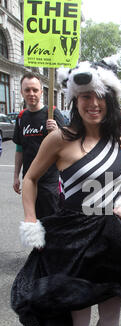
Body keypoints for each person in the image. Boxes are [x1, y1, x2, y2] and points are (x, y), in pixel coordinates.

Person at [11, 59, 121, 326]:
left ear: (110, 99)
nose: (93, 103)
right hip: (73, 237)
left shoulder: (120, 138)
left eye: (99, 96)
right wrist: (31, 221)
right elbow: (31, 179)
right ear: (75, 100)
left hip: (112, 236)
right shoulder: (60, 139)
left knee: (111, 310)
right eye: (85, 96)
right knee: (79, 322)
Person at [13, 73, 65, 218]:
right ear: (21, 92)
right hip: (30, 180)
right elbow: (19, 149)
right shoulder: (21, 117)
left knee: (52, 222)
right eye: (27, 90)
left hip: (50, 181)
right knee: (32, 221)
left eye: (35, 90)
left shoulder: (53, 113)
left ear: (42, 92)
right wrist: (16, 176)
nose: (31, 94)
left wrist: (57, 132)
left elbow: (69, 146)